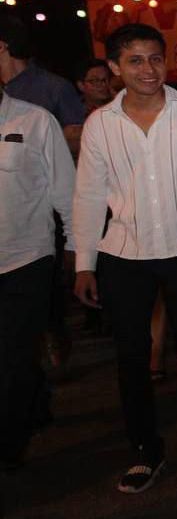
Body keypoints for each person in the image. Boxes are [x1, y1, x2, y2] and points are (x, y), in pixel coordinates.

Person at [71, 23, 177, 494]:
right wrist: (84, 262)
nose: (149, 69)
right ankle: (146, 449)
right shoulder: (101, 124)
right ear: (115, 68)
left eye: (156, 58)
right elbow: (89, 195)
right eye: (136, 60)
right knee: (131, 355)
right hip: (124, 252)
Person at [0, 88, 75, 469]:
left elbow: (66, 191)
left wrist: (78, 250)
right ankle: (32, 403)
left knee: (13, 358)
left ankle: (8, 447)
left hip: (26, 259)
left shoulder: (36, 121)